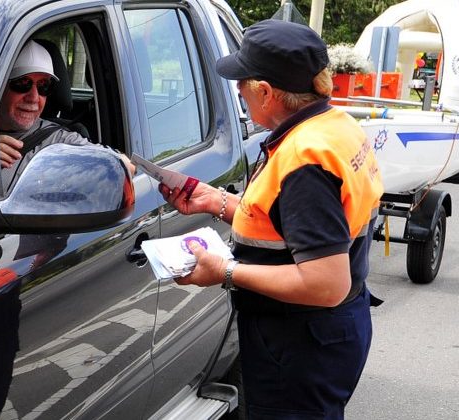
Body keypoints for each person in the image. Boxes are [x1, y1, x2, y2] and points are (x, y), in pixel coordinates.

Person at [157, 19, 384, 419]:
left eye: (241, 84)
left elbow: (326, 283)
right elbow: (287, 220)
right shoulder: (332, 125)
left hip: (301, 343)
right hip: (326, 332)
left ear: (265, 92)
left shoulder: (305, 160)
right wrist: (217, 201)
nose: (239, 93)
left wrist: (225, 271)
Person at [0, 40, 133, 182]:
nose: (34, 98)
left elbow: (124, 165)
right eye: (22, 83)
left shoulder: (59, 141)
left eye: (44, 86)